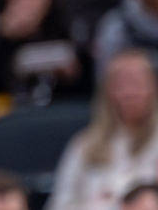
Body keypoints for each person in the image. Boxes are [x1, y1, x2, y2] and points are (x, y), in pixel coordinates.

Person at [47, 49, 158, 210]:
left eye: (137, 83)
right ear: (107, 91)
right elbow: (58, 204)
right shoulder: (85, 145)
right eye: (121, 84)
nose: (130, 93)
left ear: (153, 88)